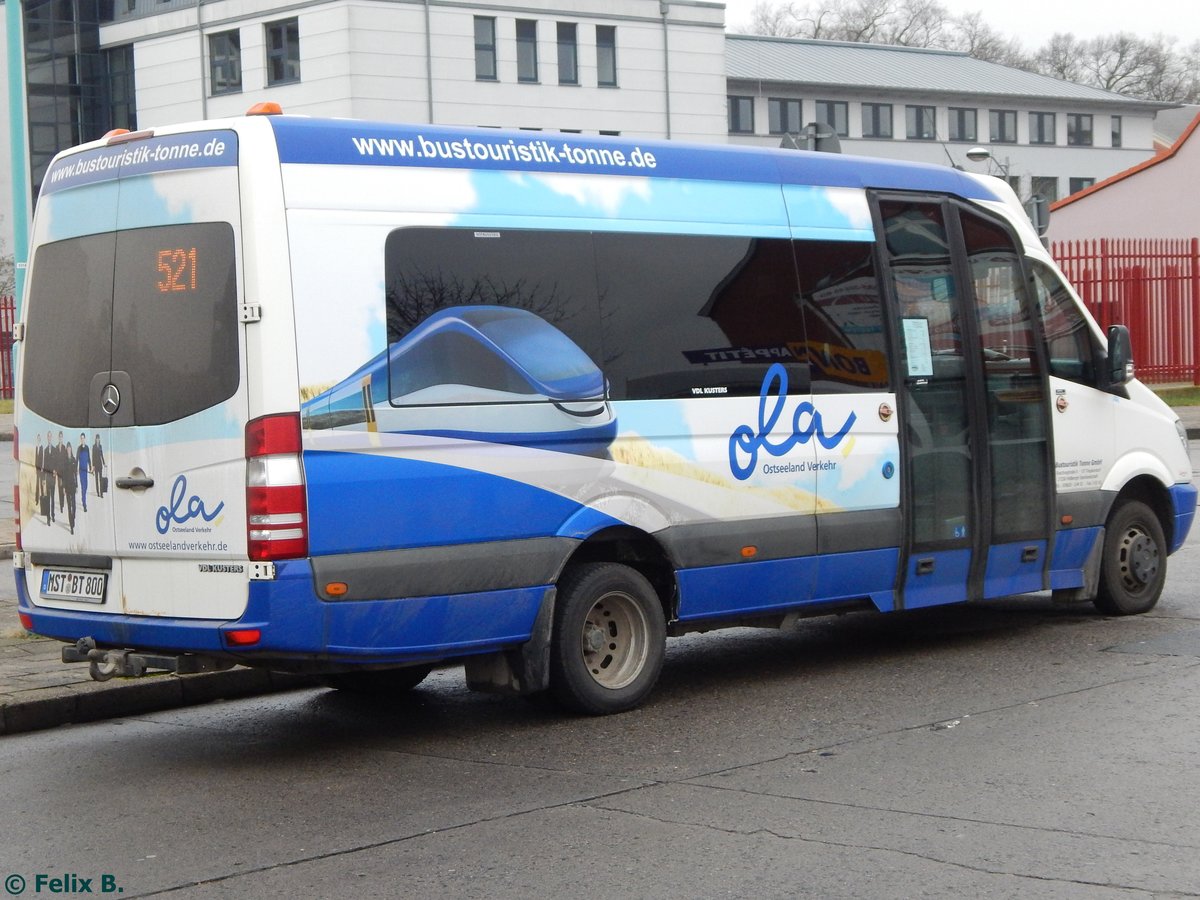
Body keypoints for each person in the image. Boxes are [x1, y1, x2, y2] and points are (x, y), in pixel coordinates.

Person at [64, 442, 78, 534]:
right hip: (67, 485)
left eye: (70, 448)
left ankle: (73, 517)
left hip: (73, 484)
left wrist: (76, 485)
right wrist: (64, 488)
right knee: (69, 506)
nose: (69, 450)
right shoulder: (65, 461)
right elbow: (64, 475)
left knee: (74, 505)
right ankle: (71, 525)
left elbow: (75, 474)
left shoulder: (73, 459)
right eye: (67, 449)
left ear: (71, 449)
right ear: (66, 450)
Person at [77, 433, 90, 513]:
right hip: (81, 470)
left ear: (85, 439)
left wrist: (91, 466)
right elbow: (76, 459)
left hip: (86, 471)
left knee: (86, 487)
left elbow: (89, 458)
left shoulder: (87, 448)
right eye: (81, 438)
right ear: (80, 439)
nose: (82, 439)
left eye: (83, 438)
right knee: (83, 486)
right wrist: (76, 469)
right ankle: (84, 504)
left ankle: (83, 497)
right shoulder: (79, 448)